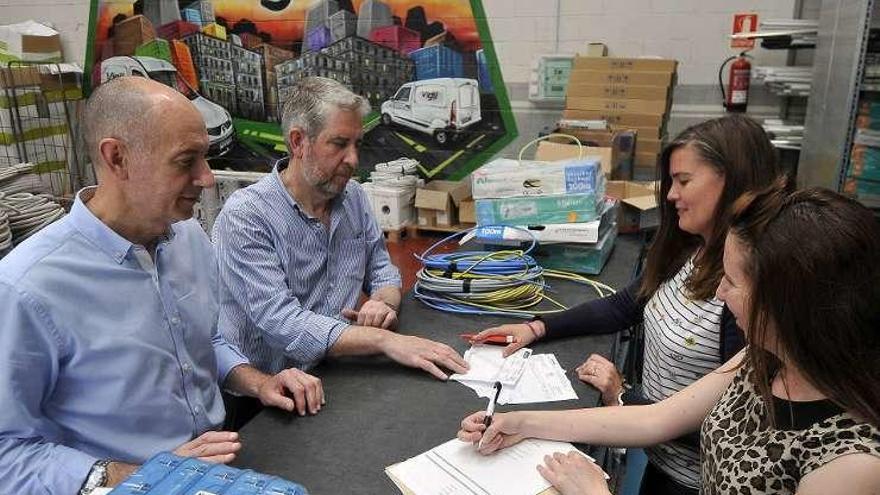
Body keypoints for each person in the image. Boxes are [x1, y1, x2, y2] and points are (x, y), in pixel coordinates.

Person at [0, 77, 325, 494]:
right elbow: (8, 453)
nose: (207, 179)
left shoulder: (188, 237)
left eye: (204, 158)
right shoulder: (26, 289)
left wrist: (258, 382)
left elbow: (203, 342)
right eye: (186, 160)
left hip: (221, 463)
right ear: (117, 157)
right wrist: (146, 475)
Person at [458, 184, 880, 495]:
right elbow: (655, 419)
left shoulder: (851, 463)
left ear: (788, 304)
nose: (718, 294)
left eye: (731, 282)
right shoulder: (767, 358)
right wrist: (519, 423)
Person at [469, 114, 783, 494]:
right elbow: (625, 310)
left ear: (735, 182)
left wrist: (622, 395)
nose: (670, 194)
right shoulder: (693, 251)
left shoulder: (743, 305)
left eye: (684, 181)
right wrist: (536, 329)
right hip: (657, 456)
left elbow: (720, 428)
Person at [212, 76, 467, 381]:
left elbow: (382, 269)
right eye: (339, 144)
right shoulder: (246, 217)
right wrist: (384, 341)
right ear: (298, 142)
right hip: (265, 394)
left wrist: (382, 303)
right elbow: (283, 323)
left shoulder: (354, 197)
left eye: (357, 144)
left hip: (334, 371)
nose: (353, 159)